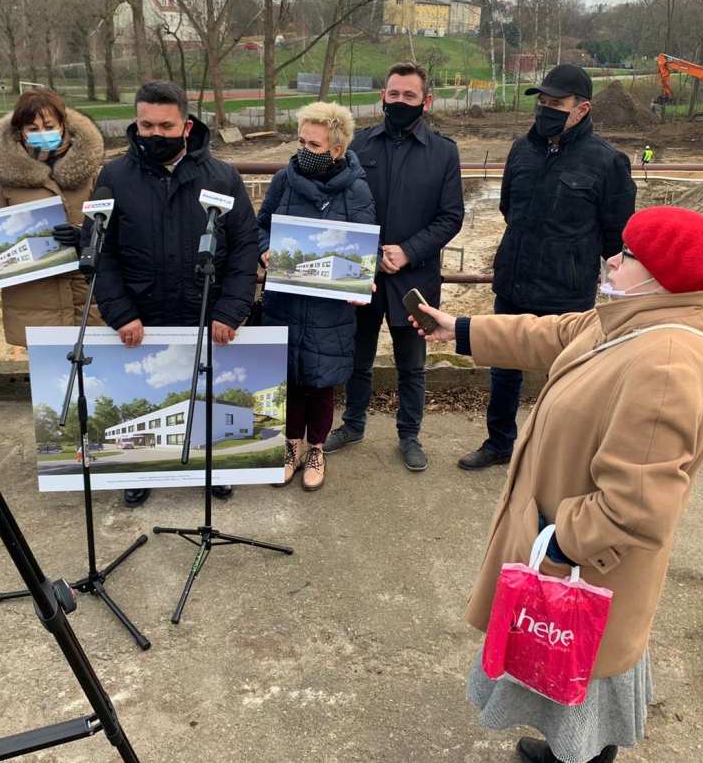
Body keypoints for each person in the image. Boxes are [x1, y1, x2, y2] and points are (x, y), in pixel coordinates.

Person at [411, 206, 703, 763]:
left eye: (627, 254)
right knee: (575, 690)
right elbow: (555, 333)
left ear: (662, 276)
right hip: (581, 559)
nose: (613, 259)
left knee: (587, 686)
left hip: (591, 569)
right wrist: (460, 330)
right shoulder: (634, 321)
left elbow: (635, 507)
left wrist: (559, 543)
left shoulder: (665, 365)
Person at [85, 79, 257, 507]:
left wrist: (231, 310)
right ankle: (140, 469)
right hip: (142, 316)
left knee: (207, 397)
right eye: (146, 126)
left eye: (166, 126)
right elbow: (100, 251)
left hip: (206, 312)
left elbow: (244, 248)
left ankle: (213, 467)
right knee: (146, 396)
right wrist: (119, 313)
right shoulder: (113, 178)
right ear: (136, 122)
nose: (155, 134)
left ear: (187, 125)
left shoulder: (223, 177)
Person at [458, 63, 636, 472]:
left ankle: (561, 455)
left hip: (566, 292)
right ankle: (500, 442)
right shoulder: (522, 150)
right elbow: (508, 208)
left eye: (556, 104)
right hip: (514, 282)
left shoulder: (608, 162)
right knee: (504, 369)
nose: (545, 110)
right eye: (541, 102)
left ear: (582, 109)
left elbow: (617, 238)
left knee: (569, 378)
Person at [323, 61, 464, 472]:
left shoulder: (444, 152)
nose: (400, 101)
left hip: (414, 277)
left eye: (410, 95)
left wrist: (408, 251)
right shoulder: (359, 146)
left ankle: (409, 434)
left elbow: (450, 216)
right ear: (382, 96)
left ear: (426, 100)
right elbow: (338, 206)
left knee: (412, 364)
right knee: (357, 357)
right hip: (362, 275)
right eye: (394, 94)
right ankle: (353, 424)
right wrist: (368, 252)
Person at [257, 102, 375, 491]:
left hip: (330, 309)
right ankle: (290, 447)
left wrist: (362, 279)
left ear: (336, 149)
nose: (304, 150)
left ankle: (316, 450)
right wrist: (265, 249)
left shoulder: (357, 190)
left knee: (322, 382)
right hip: (285, 303)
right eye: (301, 141)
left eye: (314, 144)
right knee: (290, 377)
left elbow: (364, 247)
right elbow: (260, 226)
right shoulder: (283, 181)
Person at [0, 88, 106, 347]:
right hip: (34, 301)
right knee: (48, 370)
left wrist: (83, 236)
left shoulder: (93, 172)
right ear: (20, 131)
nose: (42, 133)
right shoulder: (3, 178)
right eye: (33, 128)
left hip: (88, 295)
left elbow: (115, 225)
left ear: (63, 125)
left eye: (49, 126)